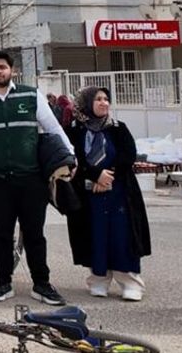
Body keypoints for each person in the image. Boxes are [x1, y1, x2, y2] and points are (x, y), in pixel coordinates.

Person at [0, 50, 74, 305]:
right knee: (1, 234)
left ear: (11, 70)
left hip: (31, 178)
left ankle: (42, 284)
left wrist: (70, 155)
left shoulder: (30, 95)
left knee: (34, 233)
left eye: (2, 67)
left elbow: (53, 127)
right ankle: (2, 282)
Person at [64, 86, 151, 301]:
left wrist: (107, 177)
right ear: (86, 103)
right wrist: (95, 175)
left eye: (106, 99)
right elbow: (70, 157)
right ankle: (98, 279)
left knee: (122, 235)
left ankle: (130, 282)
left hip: (119, 191)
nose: (104, 103)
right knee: (94, 234)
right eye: (98, 99)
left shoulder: (118, 128)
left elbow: (128, 155)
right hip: (88, 192)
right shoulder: (74, 130)